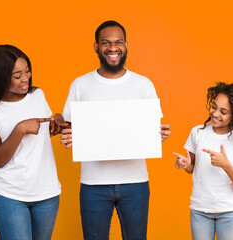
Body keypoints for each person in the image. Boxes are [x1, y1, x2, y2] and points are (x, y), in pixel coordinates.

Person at [60, 20, 171, 240]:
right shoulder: (80, 85)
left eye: (118, 42)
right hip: (93, 184)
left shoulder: (143, 84)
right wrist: (68, 136)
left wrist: (160, 134)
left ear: (126, 45)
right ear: (96, 47)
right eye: (106, 43)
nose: (113, 48)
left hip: (135, 182)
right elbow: (69, 128)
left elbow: (153, 128)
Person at [0, 45, 66, 240]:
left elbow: (44, 131)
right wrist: (19, 129)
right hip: (10, 196)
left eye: (27, 71)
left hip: (47, 193)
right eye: (17, 75)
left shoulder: (37, 95)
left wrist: (58, 121)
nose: (26, 78)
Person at [173, 82, 233, 240]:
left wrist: (226, 165)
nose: (215, 114)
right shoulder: (197, 132)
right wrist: (184, 164)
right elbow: (191, 167)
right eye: (214, 107)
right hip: (200, 210)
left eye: (224, 111)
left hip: (229, 213)